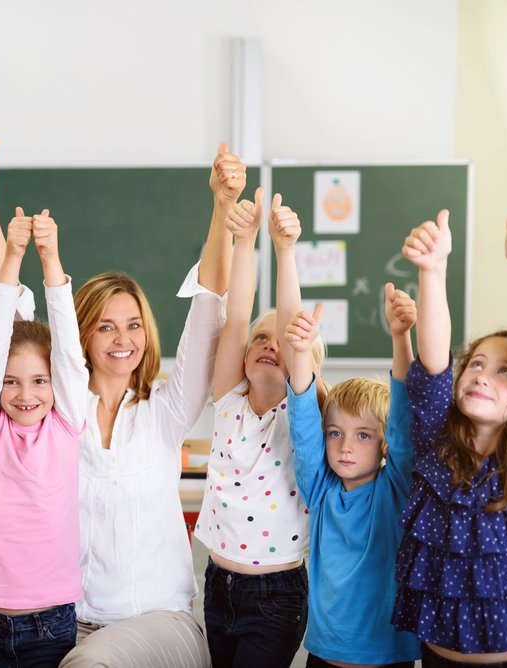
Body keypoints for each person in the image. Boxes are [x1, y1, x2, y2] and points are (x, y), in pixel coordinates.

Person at [0, 140, 243, 668]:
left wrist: (222, 209)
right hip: (66, 620)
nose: (122, 338)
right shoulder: (56, 411)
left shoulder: (167, 410)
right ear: (80, 336)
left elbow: (208, 308)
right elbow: (9, 313)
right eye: (105, 325)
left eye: (133, 324)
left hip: (159, 621)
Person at [195, 188, 319, 668]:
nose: (268, 343)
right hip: (218, 585)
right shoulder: (229, 399)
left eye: (279, 340)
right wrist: (243, 241)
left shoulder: (301, 410)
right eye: (258, 340)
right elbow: (237, 318)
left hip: (276, 594)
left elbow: (291, 326)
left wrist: (283, 250)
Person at [0, 207, 88, 667]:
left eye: (38, 380)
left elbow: (70, 356)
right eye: (10, 381)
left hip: (51, 624)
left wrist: (51, 260)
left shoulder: (67, 422)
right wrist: (11, 259)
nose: (25, 394)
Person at [391, 210, 507, 666]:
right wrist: (433, 270)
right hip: (435, 656)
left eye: (505, 371)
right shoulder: (436, 438)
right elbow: (436, 360)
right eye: (477, 363)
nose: (482, 375)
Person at [284, 286, 421, 668]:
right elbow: (303, 423)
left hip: (388, 657)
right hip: (325, 656)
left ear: (384, 445)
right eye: (336, 433)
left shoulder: (394, 489)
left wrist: (400, 336)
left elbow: (404, 419)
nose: (345, 446)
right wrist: (300, 353)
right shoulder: (321, 489)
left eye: (363, 435)